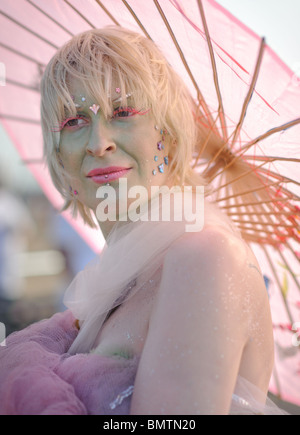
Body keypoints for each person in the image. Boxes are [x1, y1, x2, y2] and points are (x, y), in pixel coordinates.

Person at [0, 27, 287, 415]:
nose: (97, 142)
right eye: (73, 121)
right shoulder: (111, 286)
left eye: (122, 113)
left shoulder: (204, 257)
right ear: (59, 159)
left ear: (167, 138)